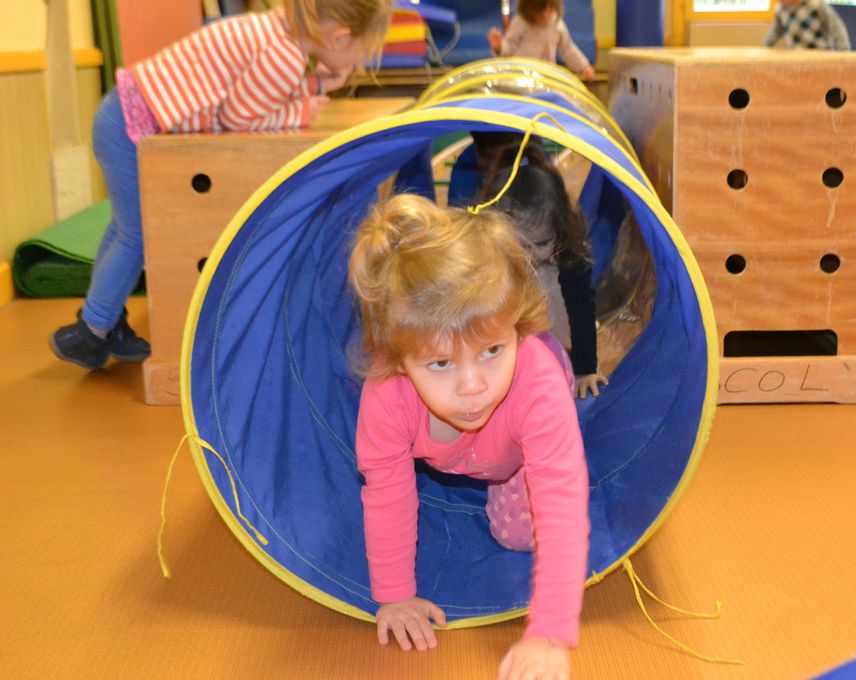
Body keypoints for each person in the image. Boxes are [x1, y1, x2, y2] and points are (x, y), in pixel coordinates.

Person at [48, 0, 391, 371]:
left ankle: (104, 320)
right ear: (339, 38)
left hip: (118, 115)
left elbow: (258, 93)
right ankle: (92, 329)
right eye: (361, 55)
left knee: (124, 228)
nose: (358, 64)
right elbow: (238, 117)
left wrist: (313, 84)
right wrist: (302, 110)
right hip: (131, 130)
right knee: (138, 234)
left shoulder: (275, 29)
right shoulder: (285, 56)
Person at [348, 194, 590, 680]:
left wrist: (548, 633)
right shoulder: (387, 395)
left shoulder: (534, 384)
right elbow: (387, 493)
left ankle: (524, 456)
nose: (472, 384)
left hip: (519, 442)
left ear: (514, 331)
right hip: (472, 449)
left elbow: (560, 502)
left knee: (519, 532)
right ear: (400, 360)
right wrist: (394, 596)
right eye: (440, 363)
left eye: (491, 351)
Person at [482, 144, 608, 399]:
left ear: (560, 230)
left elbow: (581, 309)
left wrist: (585, 369)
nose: (528, 255)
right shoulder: (489, 252)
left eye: (540, 244)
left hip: (558, 328)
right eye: (518, 245)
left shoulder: (568, 252)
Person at [487, 0, 596, 81]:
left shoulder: (556, 24)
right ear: (530, 9)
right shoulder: (521, 23)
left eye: (551, 8)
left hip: (546, 77)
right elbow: (509, 46)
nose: (547, 13)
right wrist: (499, 47)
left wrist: (584, 66)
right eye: (542, 9)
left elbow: (568, 49)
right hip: (521, 77)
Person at [763, 0, 851, 51]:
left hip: (821, 53)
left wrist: (843, 49)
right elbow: (775, 31)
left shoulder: (815, 4)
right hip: (797, 56)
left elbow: (835, 26)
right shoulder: (780, 10)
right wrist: (765, 47)